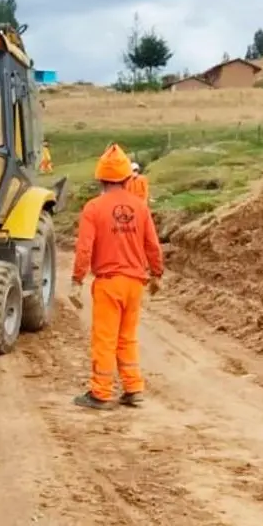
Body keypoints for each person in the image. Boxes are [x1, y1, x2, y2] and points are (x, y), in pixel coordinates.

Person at [68, 144, 164, 410]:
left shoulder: (94, 208)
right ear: (126, 177)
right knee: (127, 337)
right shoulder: (140, 207)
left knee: (105, 338)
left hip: (109, 283)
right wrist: (157, 273)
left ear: (100, 178)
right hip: (135, 283)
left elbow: (84, 247)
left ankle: (100, 392)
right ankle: (133, 389)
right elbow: (152, 245)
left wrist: (77, 280)